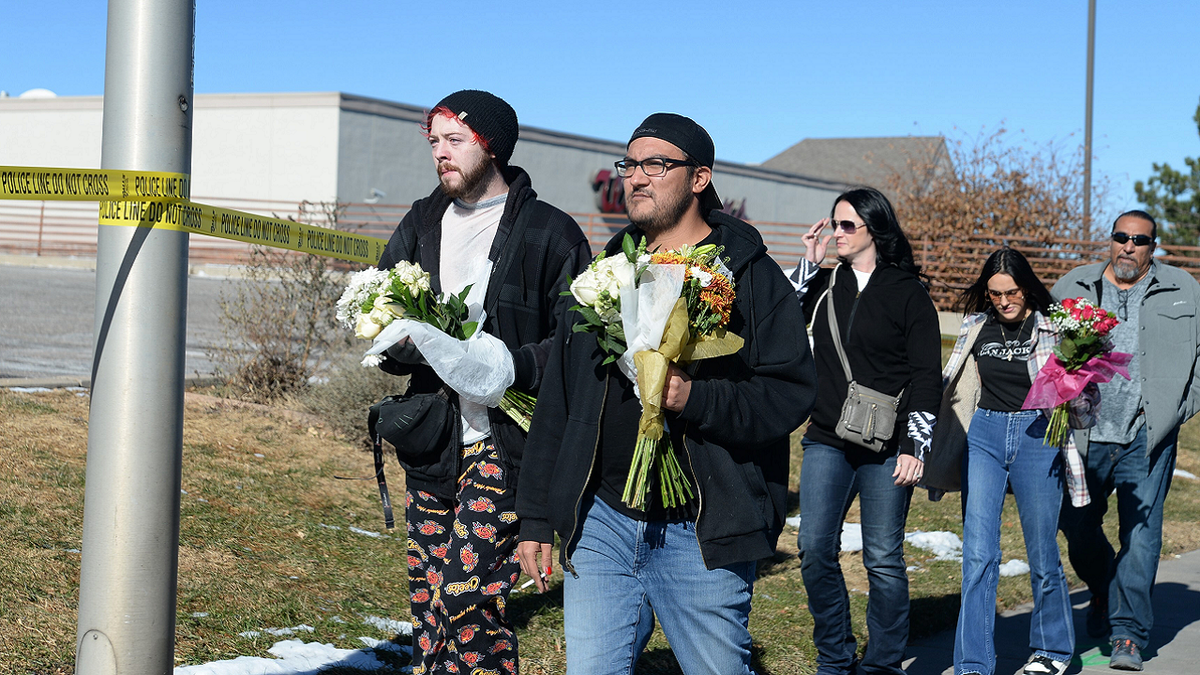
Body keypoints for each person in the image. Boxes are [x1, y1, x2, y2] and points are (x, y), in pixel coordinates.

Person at [515, 112, 817, 674]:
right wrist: (536, 513)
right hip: (603, 518)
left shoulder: (748, 274)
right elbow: (560, 397)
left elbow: (788, 393)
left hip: (700, 529)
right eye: (630, 164)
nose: (636, 178)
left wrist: (694, 398)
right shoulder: (608, 272)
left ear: (699, 178)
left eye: (656, 164)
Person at [374, 89, 591, 675]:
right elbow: (380, 307)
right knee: (428, 596)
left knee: (468, 597)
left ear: (490, 147)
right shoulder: (421, 223)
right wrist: (395, 344)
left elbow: (578, 340)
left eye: (455, 140)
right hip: (433, 438)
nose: (440, 154)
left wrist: (512, 366)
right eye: (435, 142)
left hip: (506, 439)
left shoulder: (551, 233)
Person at [788, 187, 942, 675]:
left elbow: (926, 376)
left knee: (882, 559)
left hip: (887, 446)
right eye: (834, 224)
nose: (837, 234)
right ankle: (834, 657)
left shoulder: (908, 293)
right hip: (828, 437)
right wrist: (808, 266)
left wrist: (915, 446)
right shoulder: (825, 284)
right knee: (814, 548)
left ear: (874, 229)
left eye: (847, 226)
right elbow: (779, 319)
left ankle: (883, 663)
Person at [935, 248, 1095, 675]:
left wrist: (1075, 384)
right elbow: (952, 384)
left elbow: (1087, 407)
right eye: (994, 294)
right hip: (984, 434)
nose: (1004, 301)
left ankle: (1052, 651)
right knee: (978, 554)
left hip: (1036, 436)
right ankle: (973, 663)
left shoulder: (1056, 329)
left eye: (1011, 292)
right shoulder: (976, 326)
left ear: (1026, 287)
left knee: (1042, 550)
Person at [1055, 209, 1200, 671]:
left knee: (1141, 537)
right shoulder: (1071, 287)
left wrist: (1180, 407)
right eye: (1121, 237)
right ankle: (1104, 587)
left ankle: (1128, 635)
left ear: (1152, 247)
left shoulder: (1183, 290)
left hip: (1146, 436)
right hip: (1085, 433)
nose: (1129, 246)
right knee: (1076, 526)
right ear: (1110, 240)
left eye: (1140, 240)